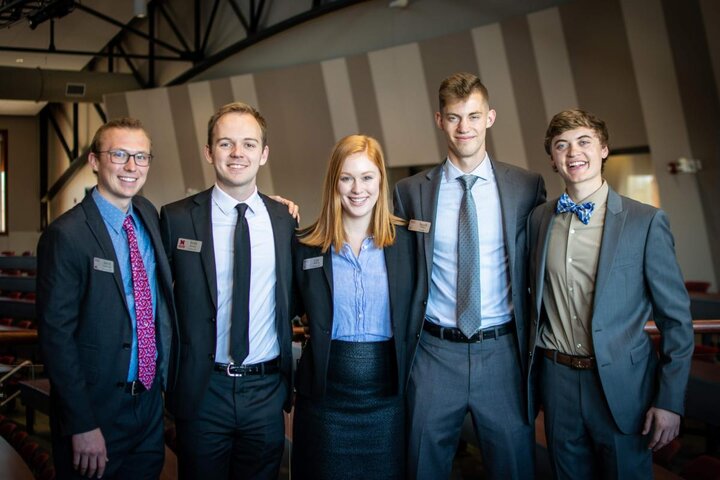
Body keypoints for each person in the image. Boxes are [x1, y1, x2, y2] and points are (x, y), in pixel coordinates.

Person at [393, 72, 546, 479]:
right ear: (439, 120)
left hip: (502, 353)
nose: (465, 127)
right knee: (421, 466)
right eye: (455, 117)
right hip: (433, 354)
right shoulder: (409, 192)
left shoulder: (527, 187)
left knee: (514, 468)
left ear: (490, 117)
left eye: (474, 116)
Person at [526, 109, 694, 479]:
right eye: (561, 145)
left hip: (622, 387)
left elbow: (677, 321)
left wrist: (669, 401)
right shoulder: (539, 220)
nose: (573, 153)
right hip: (556, 382)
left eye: (584, 141)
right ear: (552, 159)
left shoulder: (645, 222)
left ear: (603, 149)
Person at [159, 102, 296, 479]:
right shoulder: (175, 218)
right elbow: (157, 305)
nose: (238, 154)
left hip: (265, 391)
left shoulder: (285, 220)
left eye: (249, 144)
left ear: (264, 154)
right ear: (209, 152)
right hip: (203, 391)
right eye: (226, 144)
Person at [37, 117, 177, 479]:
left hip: (147, 406)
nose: (132, 167)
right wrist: (81, 424)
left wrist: (267, 204)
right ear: (94, 161)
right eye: (119, 154)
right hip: (95, 412)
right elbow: (57, 337)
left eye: (141, 157)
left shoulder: (148, 215)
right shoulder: (66, 235)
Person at [291, 134, 419, 479]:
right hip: (324, 400)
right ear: (334, 182)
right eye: (346, 177)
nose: (357, 188)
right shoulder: (305, 246)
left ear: (380, 180)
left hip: (388, 400)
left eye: (367, 177)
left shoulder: (409, 243)